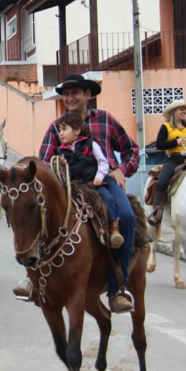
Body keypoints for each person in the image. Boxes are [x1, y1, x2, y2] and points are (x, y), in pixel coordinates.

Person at [37, 74, 140, 313]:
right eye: (66, 93)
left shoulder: (106, 120)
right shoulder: (56, 126)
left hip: (101, 181)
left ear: (88, 95)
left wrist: (121, 170)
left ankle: (118, 290)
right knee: (38, 217)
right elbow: (43, 160)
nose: (70, 98)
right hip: (67, 183)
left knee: (125, 215)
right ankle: (35, 280)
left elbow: (131, 150)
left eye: (75, 92)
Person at [53, 113, 123, 248]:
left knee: (107, 199)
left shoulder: (91, 144)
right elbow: (60, 172)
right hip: (74, 187)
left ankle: (114, 228)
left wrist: (98, 177)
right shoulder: (61, 151)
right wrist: (61, 165)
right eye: (59, 130)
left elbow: (103, 162)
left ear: (77, 130)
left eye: (64, 129)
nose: (61, 134)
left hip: (93, 184)